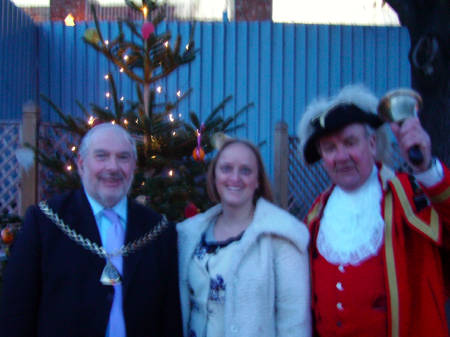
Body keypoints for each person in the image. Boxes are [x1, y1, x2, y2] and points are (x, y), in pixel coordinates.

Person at [0, 123, 182, 337]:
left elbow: (169, 318)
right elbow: (16, 312)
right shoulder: (44, 223)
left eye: (123, 157)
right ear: (81, 164)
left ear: (133, 166)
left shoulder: (158, 230)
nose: (113, 167)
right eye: (102, 156)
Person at [297, 84, 450, 337]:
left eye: (350, 142)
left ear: (371, 143)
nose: (341, 156)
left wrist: (427, 170)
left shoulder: (409, 195)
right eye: (330, 148)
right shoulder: (315, 215)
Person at [177, 139, 312, 337]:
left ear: (258, 180)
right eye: (226, 168)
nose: (235, 177)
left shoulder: (281, 237)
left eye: (246, 170)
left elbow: (294, 324)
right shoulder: (189, 235)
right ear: (215, 176)